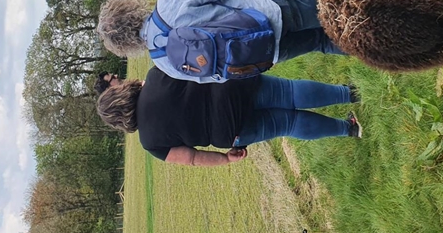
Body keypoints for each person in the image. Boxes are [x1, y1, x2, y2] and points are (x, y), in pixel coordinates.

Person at [96, 0, 345, 83]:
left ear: (126, 46)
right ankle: (367, 7)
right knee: (329, 8)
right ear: (127, 8)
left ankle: (367, 45)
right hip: (266, 12)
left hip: (263, 52)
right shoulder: (166, 4)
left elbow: (212, 76)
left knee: (321, 42)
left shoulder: (163, 63)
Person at [95, 67, 362, 165]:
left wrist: (224, 158)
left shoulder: (149, 143)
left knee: (288, 124)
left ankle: (348, 128)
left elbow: (192, 158)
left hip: (230, 131)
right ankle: (350, 93)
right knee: (289, 92)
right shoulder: (155, 76)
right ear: (119, 92)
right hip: (231, 88)